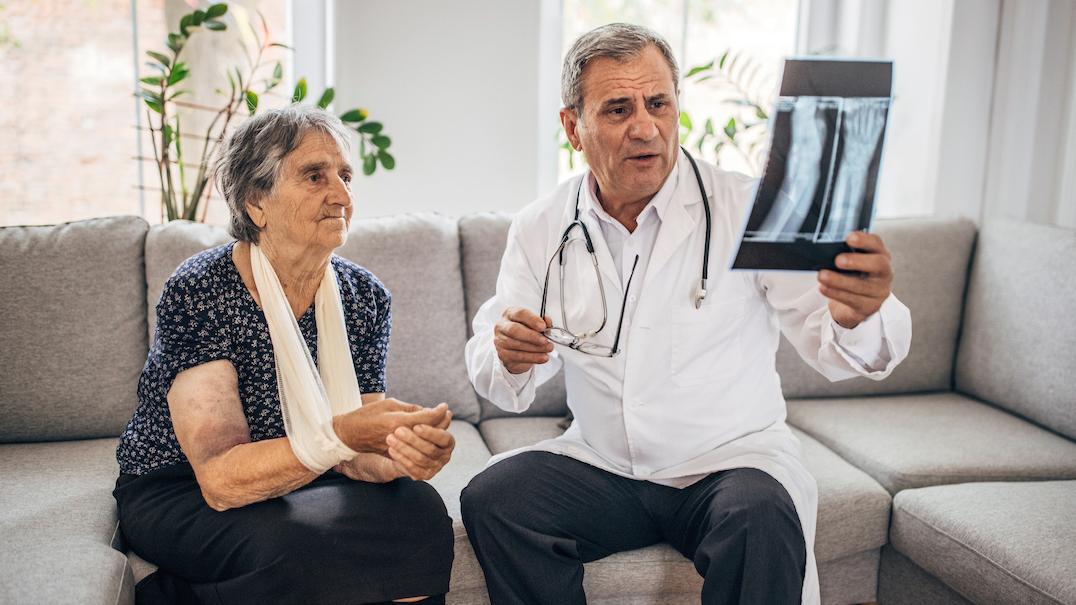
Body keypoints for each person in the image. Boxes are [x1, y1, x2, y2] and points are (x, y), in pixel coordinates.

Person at [461, 23, 911, 605]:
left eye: (658, 104)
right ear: (574, 127)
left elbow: (835, 344)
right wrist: (508, 350)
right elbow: (501, 368)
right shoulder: (542, 225)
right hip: (602, 464)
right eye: (618, 109)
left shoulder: (750, 208)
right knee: (497, 498)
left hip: (727, 466)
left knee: (762, 514)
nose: (644, 127)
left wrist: (857, 313)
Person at [114, 105, 455, 605]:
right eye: (315, 176)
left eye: (344, 176)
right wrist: (340, 436)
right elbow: (220, 479)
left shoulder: (364, 296)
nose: (341, 196)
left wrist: (405, 456)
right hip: (181, 487)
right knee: (294, 543)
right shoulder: (202, 290)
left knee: (419, 512)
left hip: (307, 476)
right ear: (256, 201)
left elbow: (358, 454)